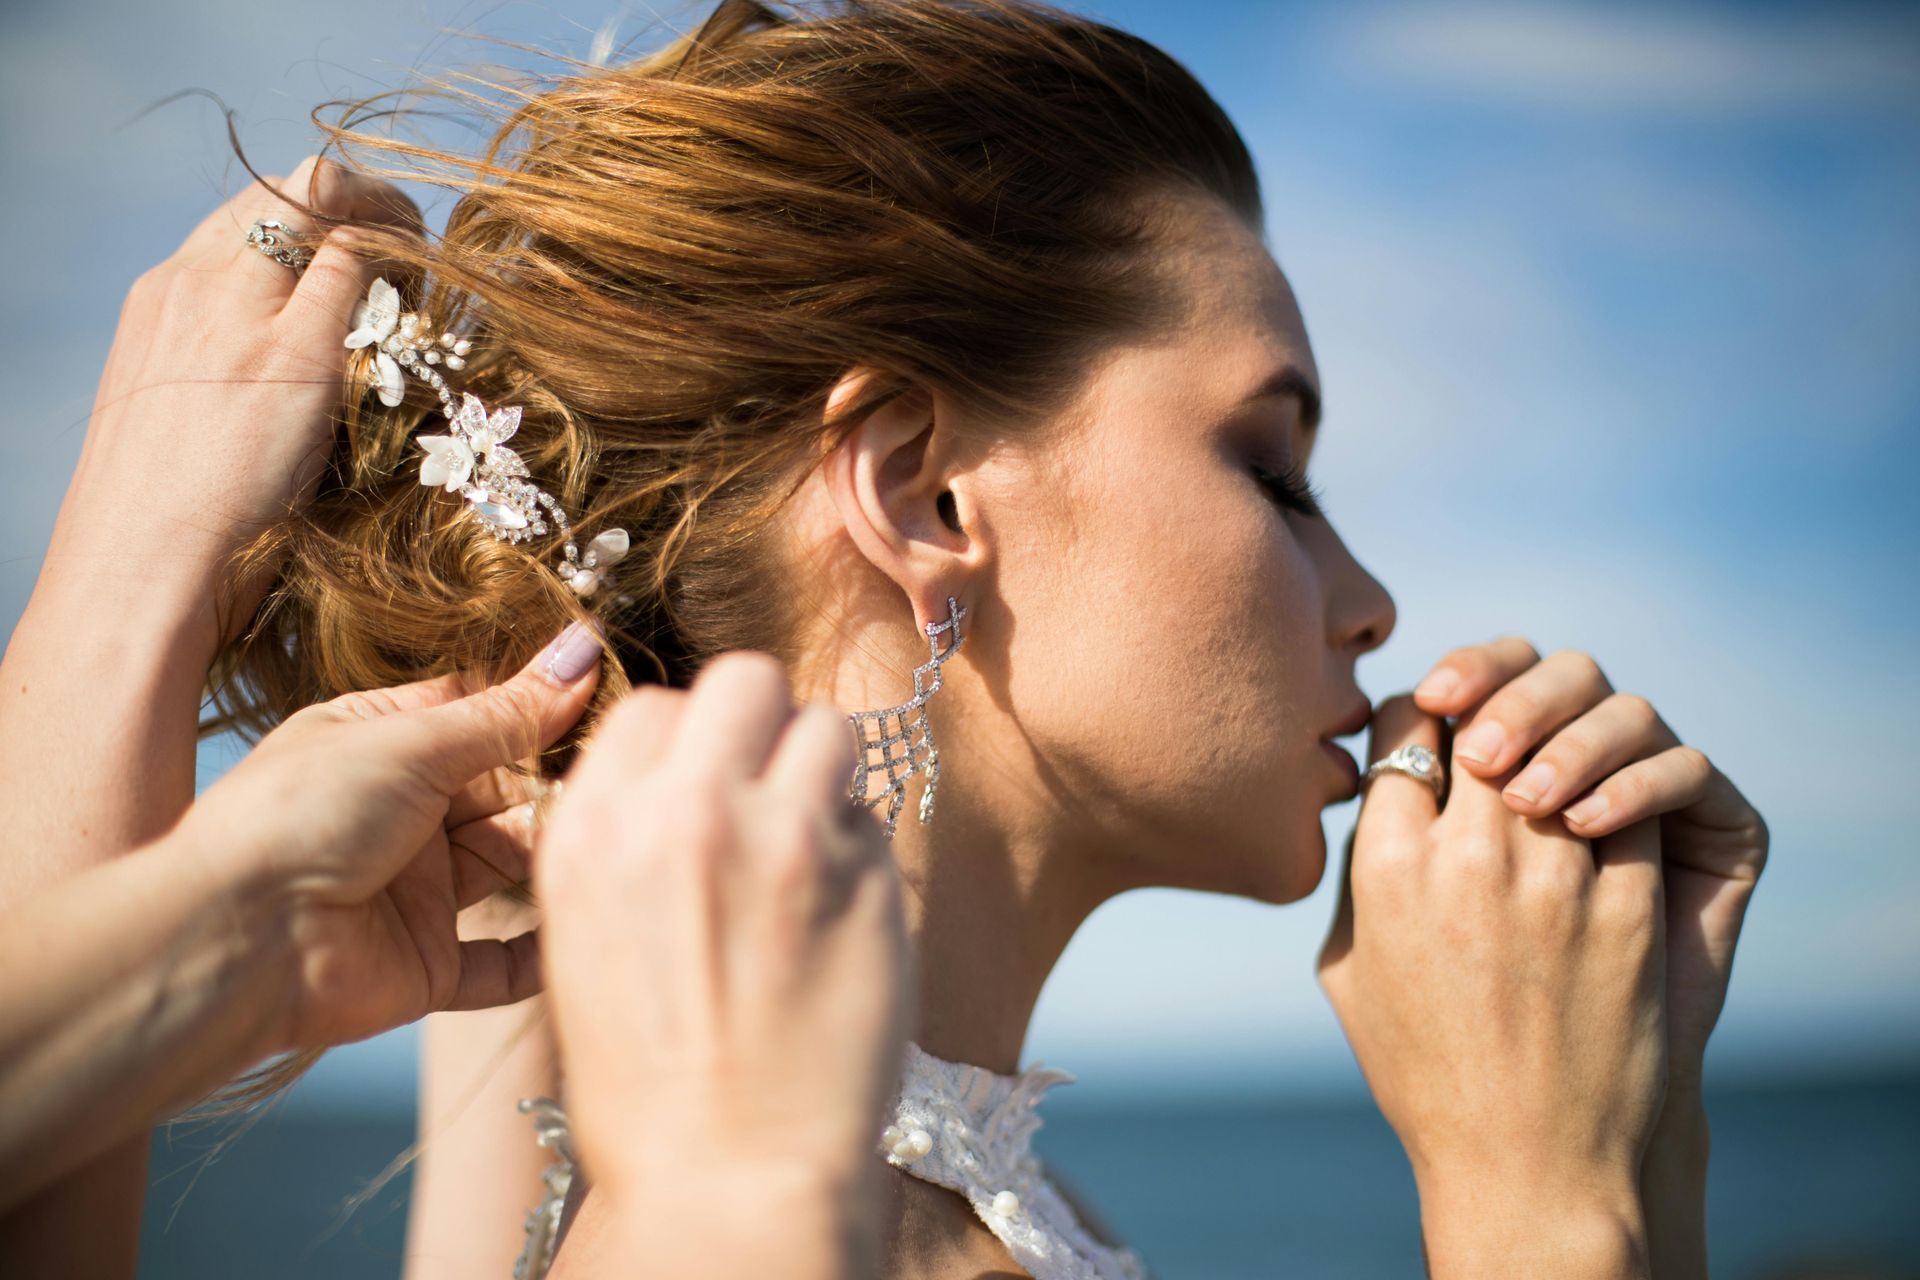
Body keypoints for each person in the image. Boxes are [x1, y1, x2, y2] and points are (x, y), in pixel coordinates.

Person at [27, 3, 1770, 1279]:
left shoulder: (702, 1141)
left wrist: (130, 576)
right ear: (927, 499)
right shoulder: (758, 1219)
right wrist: (1556, 1204)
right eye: (1270, 464)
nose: (1370, 598)